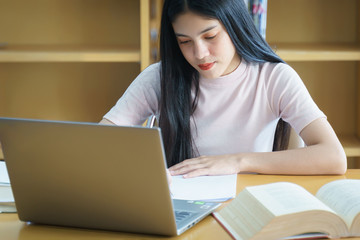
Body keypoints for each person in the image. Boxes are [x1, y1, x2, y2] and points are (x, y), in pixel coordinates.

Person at [100, 0, 347, 178]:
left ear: (235, 26)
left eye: (210, 36)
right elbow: (99, 142)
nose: (199, 53)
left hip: (250, 202)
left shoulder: (273, 78)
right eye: (184, 42)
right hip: (181, 207)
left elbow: (333, 157)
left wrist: (237, 161)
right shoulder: (159, 78)